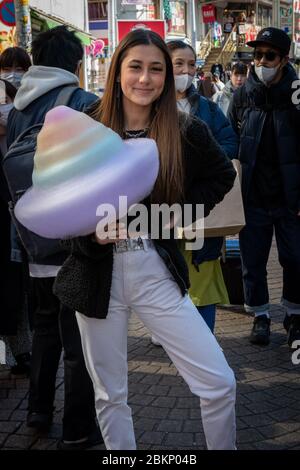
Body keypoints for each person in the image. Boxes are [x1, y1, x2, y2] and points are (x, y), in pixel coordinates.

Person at [54, 29, 237, 450]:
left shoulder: (183, 130)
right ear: (117, 70)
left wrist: (175, 215)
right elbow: (61, 213)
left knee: (219, 383)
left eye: (157, 69)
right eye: (135, 66)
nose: (145, 78)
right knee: (110, 395)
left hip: (157, 274)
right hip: (96, 281)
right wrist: (91, 236)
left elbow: (221, 176)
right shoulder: (86, 130)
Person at [7, 26, 102, 449]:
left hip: (31, 239)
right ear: (77, 65)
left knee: (45, 328)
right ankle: (79, 428)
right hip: (74, 243)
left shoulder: (18, 108)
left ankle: (37, 413)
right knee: (79, 340)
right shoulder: (84, 102)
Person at [228, 27, 300, 347]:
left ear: (284, 60)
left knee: (295, 259)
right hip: (253, 196)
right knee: (252, 261)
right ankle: (260, 315)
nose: (261, 61)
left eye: (269, 56)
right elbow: (229, 140)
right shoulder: (243, 95)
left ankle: (294, 316)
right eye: (257, 55)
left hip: (290, 199)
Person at [166, 39, 237, 332]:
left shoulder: (208, 108)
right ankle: (175, 335)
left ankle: (204, 338)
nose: (186, 71)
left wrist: (198, 161)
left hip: (201, 213)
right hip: (162, 213)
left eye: (191, 64)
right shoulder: (146, 108)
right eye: (178, 64)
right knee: (166, 276)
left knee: (202, 272)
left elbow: (230, 143)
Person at [0, 46, 32, 376]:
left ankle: (22, 352)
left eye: (19, 66)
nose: (12, 72)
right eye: (7, 66)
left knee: (17, 287)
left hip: (19, 207)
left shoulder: (28, 106)